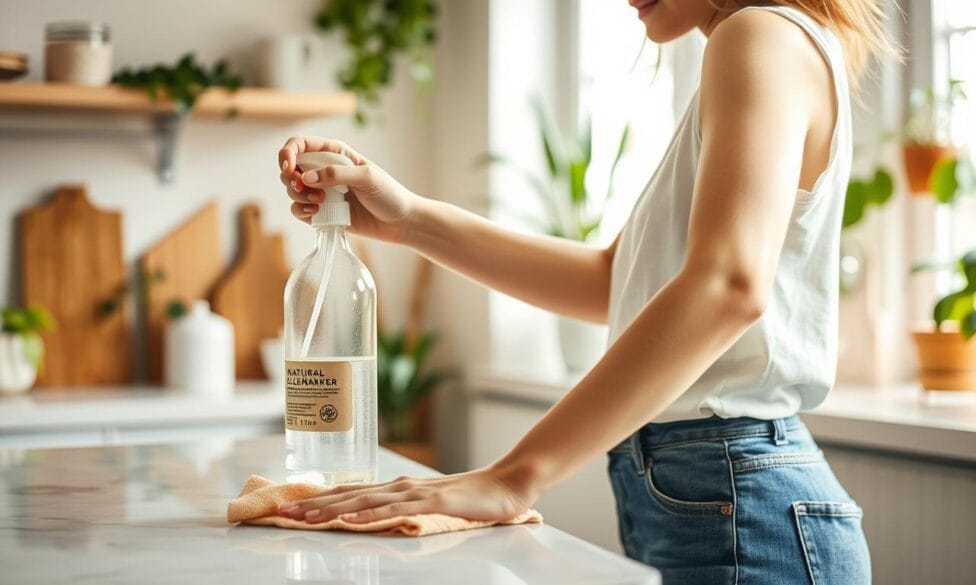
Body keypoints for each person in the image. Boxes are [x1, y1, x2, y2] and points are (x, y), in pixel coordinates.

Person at [276, 0, 892, 582]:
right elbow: (611, 280)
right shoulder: (760, 47)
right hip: (722, 495)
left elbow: (729, 288)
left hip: (742, 503)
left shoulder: (758, 35)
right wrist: (405, 219)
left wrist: (514, 477)